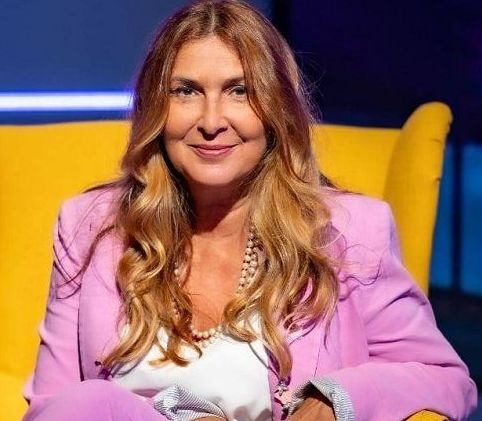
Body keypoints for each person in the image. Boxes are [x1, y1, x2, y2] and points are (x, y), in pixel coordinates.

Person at [22, 1, 477, 420]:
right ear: (156, 108)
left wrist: (336, 396)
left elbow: (444, 377)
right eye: (186, 91)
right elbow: (51, 407)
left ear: (275, 108)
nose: (211, 121)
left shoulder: (351, 231)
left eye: (239, 91)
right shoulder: (90, 226)